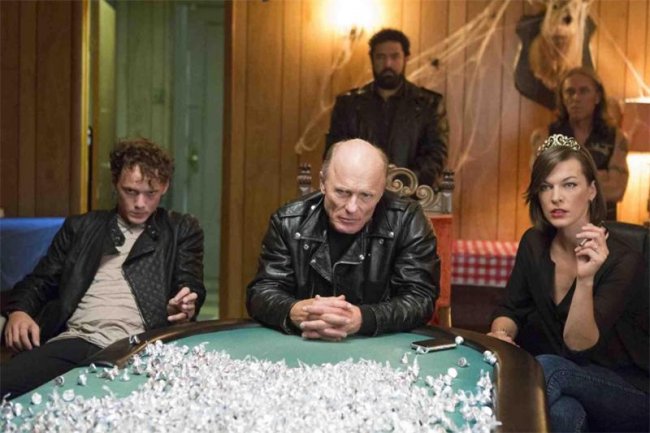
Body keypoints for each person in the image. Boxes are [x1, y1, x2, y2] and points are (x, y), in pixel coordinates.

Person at [0, 138, 206, 398]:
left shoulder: (180, 229)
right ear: (115, 183)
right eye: (130, 191)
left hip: (140, 345)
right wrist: (19, 310)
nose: (140, 203)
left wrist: (186, 304)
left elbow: (190, 284)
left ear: (164, 187)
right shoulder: (81, 227)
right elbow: (40, 280)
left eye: (150, 193)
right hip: (78, 338)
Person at [490, 134, 648, 432]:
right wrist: (501, 334)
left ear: (591, 191)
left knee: (548, 369)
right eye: (545, 186)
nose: (556, 197)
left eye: (569, 185)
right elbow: (511, 309)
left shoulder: (625, 259)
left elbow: (578, 345)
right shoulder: (534, 242)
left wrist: (585, 279)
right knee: (564, 412)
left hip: (629, 388)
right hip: (566, 380)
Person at [247, 139, 439, 340]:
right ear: (323, 183)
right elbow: (261, 293)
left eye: (366, 195)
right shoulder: (288, 221)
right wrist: (296, 311)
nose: (352, 208)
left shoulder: (408, 220)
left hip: (380, 346)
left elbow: (421, 299)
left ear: (382, 190)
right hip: (304, 342)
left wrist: (363, 318)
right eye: (341, 192)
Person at [325, 28, 449, 188]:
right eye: (380, 57)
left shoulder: (429, 104)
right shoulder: (348, 105)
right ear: (372, 59)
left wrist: (399, 183)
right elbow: (335, 154)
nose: (387, 64)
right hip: (359, 194)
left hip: (412, 196)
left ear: (406, 58)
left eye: (394, 56)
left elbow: (436, 157)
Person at [531, 67, 629, 220]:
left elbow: (616, 190)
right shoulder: (545, 136)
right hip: (557, 227)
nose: (576, 98)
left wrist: (564, 182)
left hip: (600, 225)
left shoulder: (615, 137)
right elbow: (541, 188)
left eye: (584, 91)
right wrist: (598, 178)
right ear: (563, 98)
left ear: (597, 97)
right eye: (570, 92)